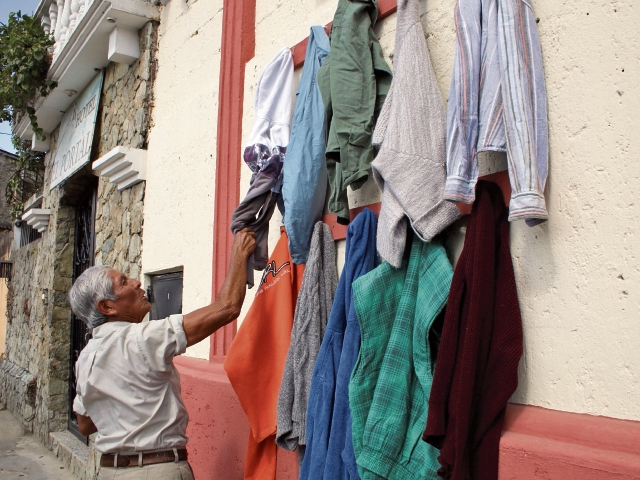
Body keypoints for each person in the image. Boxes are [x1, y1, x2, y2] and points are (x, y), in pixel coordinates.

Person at [68, 228, 256, 479]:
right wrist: (239, 252)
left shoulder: (86, 358)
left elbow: (84, 425)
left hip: (110, 471)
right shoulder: (141, 338)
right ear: (107, 307)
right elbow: (227, 308)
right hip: (157, 470)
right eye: (123, 282)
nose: (136, 282)